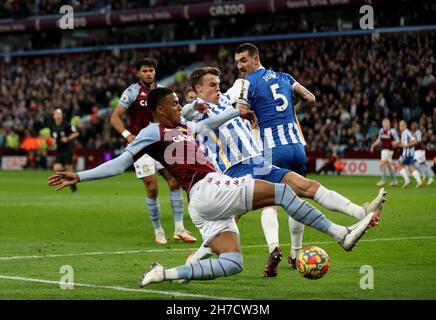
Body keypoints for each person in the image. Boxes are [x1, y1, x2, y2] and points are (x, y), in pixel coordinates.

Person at [48, 87, 377, 287]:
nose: (180, 107)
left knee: (233, 263)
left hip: (202, 204)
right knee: (281, 192)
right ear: (160, 109)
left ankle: (164, 274)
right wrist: (81, 175)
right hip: (206, 188)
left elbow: (207, 122)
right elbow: (120, 164)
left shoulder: (185, 126)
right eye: (176, 104)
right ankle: (341, 235)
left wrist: (235, 109)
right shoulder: (152, 131)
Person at [182, 67, 385, 277]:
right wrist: (195, 105)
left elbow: (240, 85)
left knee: (304, 186)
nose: (218, 87)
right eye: (212, 84)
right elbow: (186, 113)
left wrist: (251, 81)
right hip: (234, 171)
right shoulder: (197, 112)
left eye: (218, 83)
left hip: (258, 163)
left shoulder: (225, 99)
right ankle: (340, 234)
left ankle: (360, 213)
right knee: (252, 212)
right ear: (198, 88)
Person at [233, 43, 315, 274]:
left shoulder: (247, 83)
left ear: (256, 58)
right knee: (296, 198)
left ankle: (273, 248)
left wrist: (249, 113)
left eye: (243, 61)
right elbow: (310, 98)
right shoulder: (285, 77)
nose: (240, 66)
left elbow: (239, 110)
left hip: (270, 149)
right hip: (297, 146)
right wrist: (293, 112)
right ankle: (296, 254)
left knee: (269, 201)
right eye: (237, 62)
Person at [110, 58, 195, 244]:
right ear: (138, 73)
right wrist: (127, 135)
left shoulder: (163, 91)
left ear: (155, 72)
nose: (148, 73)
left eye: (151, 70)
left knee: (174, 182)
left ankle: (180, 228)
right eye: (144, 71)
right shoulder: (132, 91)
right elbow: (115, 117)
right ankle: (158, 231)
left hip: (163, 142)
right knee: (153, 188)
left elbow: (175, 113)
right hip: (142, 145)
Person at [49, 108, 79, 193]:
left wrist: (67, 138)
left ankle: (74, 189)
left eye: (59, 114)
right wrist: (52, 143)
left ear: (62, 116)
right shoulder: (52, 126)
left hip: (67, 149)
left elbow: (76, 133)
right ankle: (66, 179)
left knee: (69, 169)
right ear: (54, 116)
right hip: (59, 150)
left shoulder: (67, 125)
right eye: (56, 114)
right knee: (57, 168)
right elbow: (52, 138)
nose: (58, 115)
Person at [370, 118, 400, 186]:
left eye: (387, 123)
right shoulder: (381, 130)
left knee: (382, 164)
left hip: (389, 150)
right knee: (388, 166)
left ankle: (383, 181)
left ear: (389, 124)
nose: (386, 124)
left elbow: (398, 139)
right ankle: (394, 181)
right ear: (383, 124)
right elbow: (379, 140)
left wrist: (395, 142)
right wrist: (373, 145)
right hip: (383, 150)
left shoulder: (392, 131)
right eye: (385, 123)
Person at [398, 120, 423, 188]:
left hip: (407, 154)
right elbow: (404, 144)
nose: (400, 127)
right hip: (410, 154)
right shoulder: (404, 133)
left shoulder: (407, 133)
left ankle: (407, 180)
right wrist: (400, 144)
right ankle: (419, 181)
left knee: (399, 166)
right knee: (411, 168)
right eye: (400, 125)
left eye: (402, 125)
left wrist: (407, 145)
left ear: (405, 125)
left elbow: (415, 142)